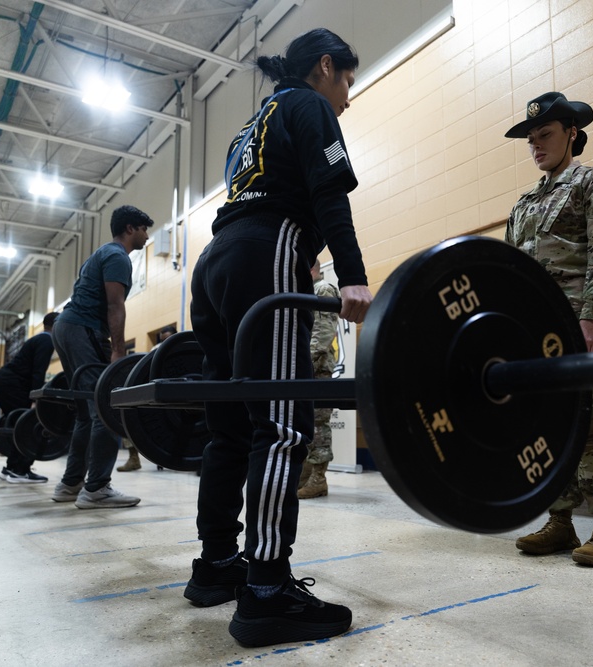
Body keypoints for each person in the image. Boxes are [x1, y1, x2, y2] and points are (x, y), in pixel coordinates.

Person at [184, 28, 372, 648]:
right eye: (346, 79)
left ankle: (216, 566)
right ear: (325, 67)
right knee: (285, 423)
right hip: (266, 253)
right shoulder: (309, 105)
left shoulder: (251, 123)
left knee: (230, 426)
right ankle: (266, 589)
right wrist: (353, 276)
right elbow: (329, 193)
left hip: (215, 263)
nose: (347, 95)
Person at [504, 92, 593, 567]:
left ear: (572, 134)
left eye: (546, 135)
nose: (536, 145)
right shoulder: (525, 203)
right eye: (532, 139)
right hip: (539, 337)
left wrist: (592, 317)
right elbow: (514, 274)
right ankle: (561, 522)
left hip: (586, 326)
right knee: (548, 425)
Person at [50, 205, 152, 509]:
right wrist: (118, 350)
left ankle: (70, 484)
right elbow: (114, 306)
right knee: (105, 408)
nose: (148, 236)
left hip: (65, 328)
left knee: (85, 411)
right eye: (145, 229)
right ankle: (96, 487)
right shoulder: (118, 257)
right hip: (81, 329)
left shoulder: (100, 253)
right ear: (131, 228)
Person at [0, 312, 58, 483]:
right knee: (28, 425)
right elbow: (38, 372)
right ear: (57, 324)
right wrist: (36, 400)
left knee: (19, 425)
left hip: (5, 383)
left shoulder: (39, 339)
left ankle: (12, 468)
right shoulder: (47, 340)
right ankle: (19, 470)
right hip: (10, 384)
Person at [298, 261, 341, 499]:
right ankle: (304, 477)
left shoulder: (322, 289)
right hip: (307, 369)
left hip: (318, 369)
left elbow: (323, 334)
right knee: (306, 425)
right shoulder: (307, 292)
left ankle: (319, 479)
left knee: (318, 424)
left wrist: (309, 363)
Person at [118, 324, 177, 473]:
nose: (164, 343)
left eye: (167, 339)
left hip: (179, 397)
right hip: (157, 396)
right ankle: (133, 458)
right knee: (126, 412)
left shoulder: (182, 346)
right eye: (162, 339)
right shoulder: (155, 350)